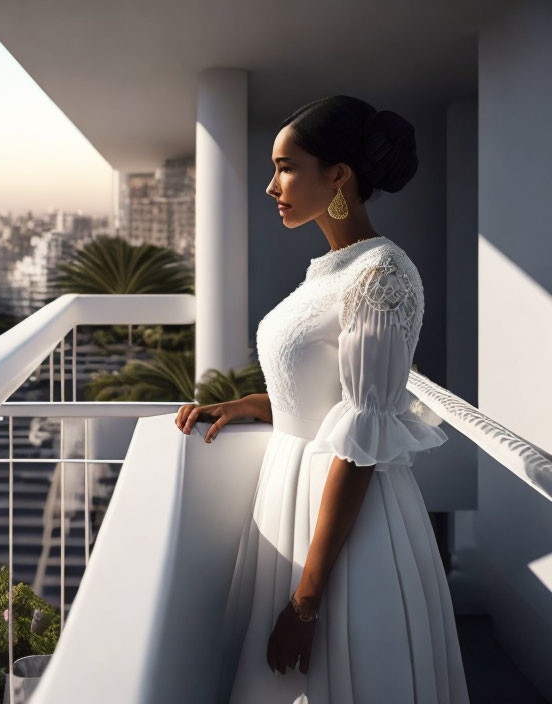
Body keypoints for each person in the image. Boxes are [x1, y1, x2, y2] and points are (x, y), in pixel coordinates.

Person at [175, 95, 470, 703]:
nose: (270, 185)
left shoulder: (383, 274)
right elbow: (318, 392)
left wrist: (307, 603)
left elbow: (365, 435)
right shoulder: (332, 268)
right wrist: (246, 406)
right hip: (290, 496)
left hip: (348, 528)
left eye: (286, 167)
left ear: (338, 176)